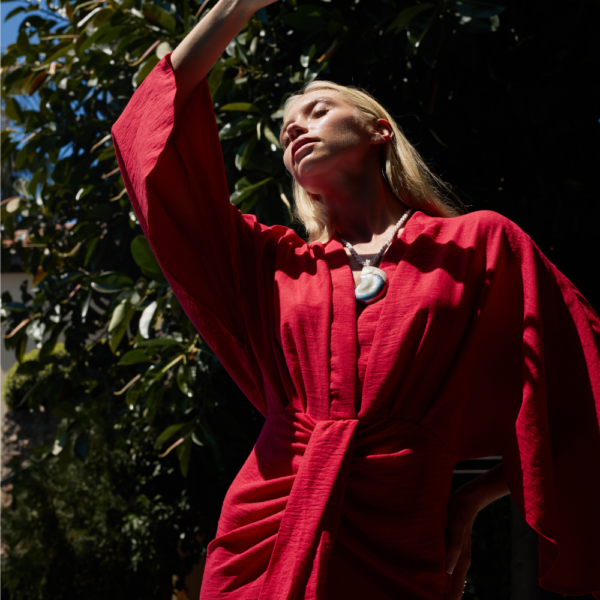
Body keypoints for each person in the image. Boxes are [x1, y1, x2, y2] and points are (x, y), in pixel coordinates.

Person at [112, 0, 600, 598]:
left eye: (317, 110)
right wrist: (233, 10)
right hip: (266, 530)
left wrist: (473, 497)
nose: (295, 126)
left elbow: (580, 389)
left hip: (404, 531)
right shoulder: (271, 264)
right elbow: (150, 148)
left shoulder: (480, 244)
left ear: (378, 129)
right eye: (287, 125)